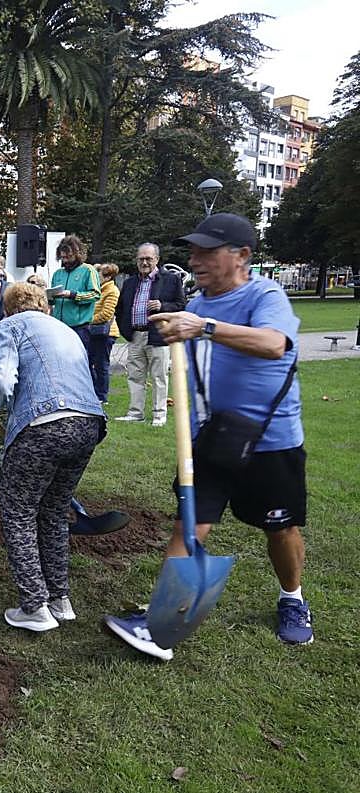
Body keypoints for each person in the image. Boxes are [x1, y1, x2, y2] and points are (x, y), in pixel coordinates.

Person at [112, 213, 312, 653]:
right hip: (213, 437)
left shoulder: (266, 295)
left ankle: (292, 599)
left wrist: (202, 327)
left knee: (280, 529)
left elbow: (274, 343)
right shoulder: (198, 303)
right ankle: (160, 623)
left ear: (241, 256)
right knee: (191, 524)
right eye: (194, 251)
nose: (195, 259)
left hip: (270, 440)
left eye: (207, 251)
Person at [0, 283, 106, 631]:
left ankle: (33, 607)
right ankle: (60, 600)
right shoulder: (67, 331)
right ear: (44, 306)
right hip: (89, 425)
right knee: (54, 511)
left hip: (44, 425)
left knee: (17, 510)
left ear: (10, 309)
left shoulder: (7, 327)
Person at [114, 243, 187, 427]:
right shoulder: (130, 282)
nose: (144, 262)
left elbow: (181, 305)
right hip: (136, 336)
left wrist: (162, 306)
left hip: (158, 335)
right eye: (141, 259)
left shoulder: (170, 279)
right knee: (135, 376)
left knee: (159, 377)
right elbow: (120, 308)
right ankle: (135, 413)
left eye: (148, 258)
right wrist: (127, 332)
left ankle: (159, 415)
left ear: (157, 259)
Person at [48, 235, 100, 359]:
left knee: (80, 362)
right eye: (62, 257)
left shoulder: (88, 270)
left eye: (68, 257)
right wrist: (49, 297)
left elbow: (95, 294)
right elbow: (52, 301)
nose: (65, 260)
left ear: (77, 253)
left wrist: (72, 295)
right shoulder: (58, 273)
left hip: (80, 328)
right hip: (59, 327)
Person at [88, 263, 121, 403]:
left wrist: (86, 320)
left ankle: (102, 396)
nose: (95, 277)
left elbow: (106, 314)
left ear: (108, 277)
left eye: (98, 274)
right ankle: (93, 393)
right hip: (92, 332)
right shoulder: (97, 289)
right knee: (88, 363)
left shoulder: (112, 290)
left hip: (106, 333)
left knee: (101, 365)